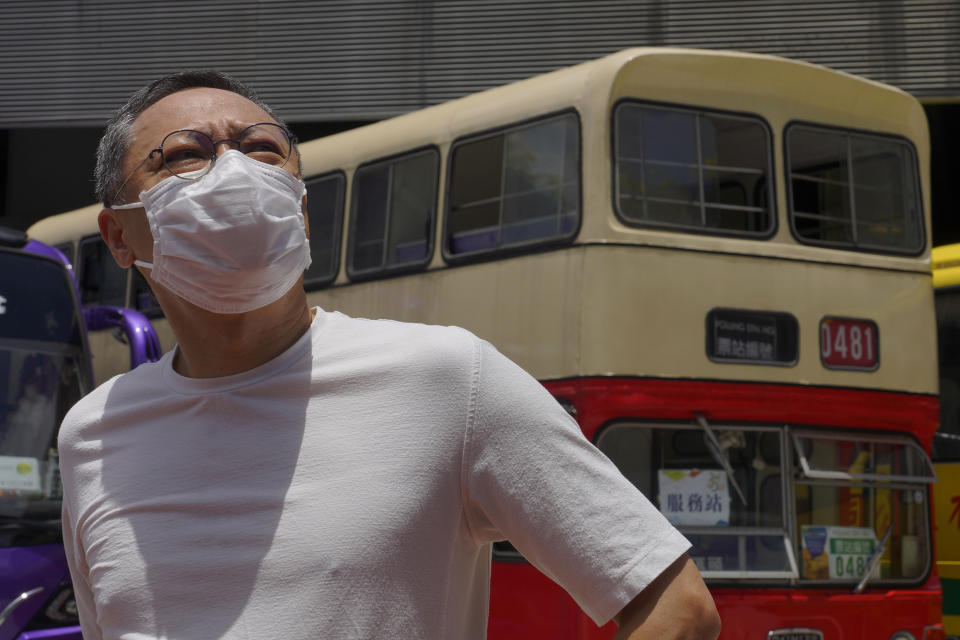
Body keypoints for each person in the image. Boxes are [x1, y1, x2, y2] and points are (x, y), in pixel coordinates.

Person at [58, 70, 721, 640]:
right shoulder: (92, 435)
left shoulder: (449, 378)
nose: (236, 170)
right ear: (118, 235)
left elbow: (677, 609)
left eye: (263, 149)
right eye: (184, 155)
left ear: (300, 208)